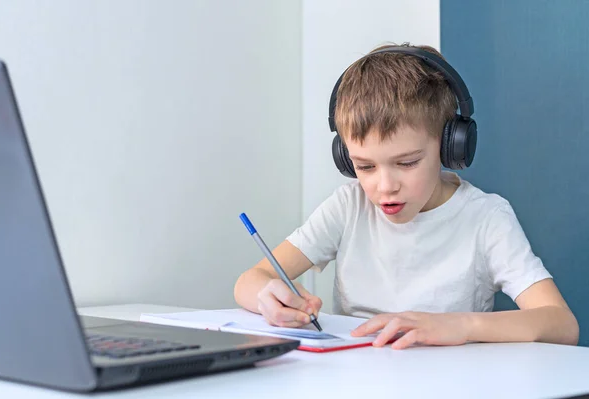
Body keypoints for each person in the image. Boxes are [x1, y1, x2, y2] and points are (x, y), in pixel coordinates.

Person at [234, 43, 579, 350]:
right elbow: (250, 281)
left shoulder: (486, 218)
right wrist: (269, 297)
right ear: (344, 157)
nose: (385, 186)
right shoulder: (348, 206)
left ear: (450, 147)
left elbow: (561, 325)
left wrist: (459, 325)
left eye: (408, 162)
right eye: (365, 166)